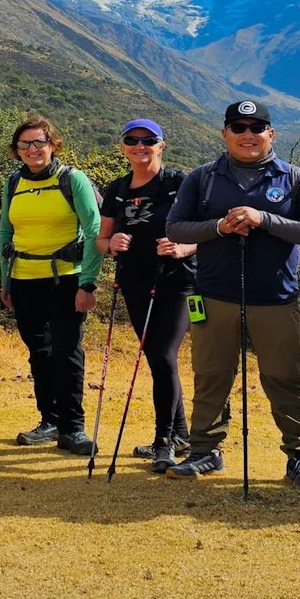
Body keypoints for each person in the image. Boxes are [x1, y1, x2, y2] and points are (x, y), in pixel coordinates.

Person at [164, 99, 300, 490]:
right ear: (225, 133)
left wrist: (264, 219)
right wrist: (219, 227)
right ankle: (205, 451)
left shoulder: (293, 178)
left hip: (275, 298)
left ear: (271, 133)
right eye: (238, 128)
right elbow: (176, 229)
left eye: (256, 128)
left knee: (285, 378)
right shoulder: (202, 177)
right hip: (213, 296)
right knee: (211, 375)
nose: (247, 135)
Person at [0, 114, 102, 454]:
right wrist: (5, 281)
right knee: (39, 353)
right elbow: (5, 233)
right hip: (23, 279)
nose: (32, 149)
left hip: (66, 278)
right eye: (24, 144)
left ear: (53, 145)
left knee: (67, 351)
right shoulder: (13, 182)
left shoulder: (73, 179)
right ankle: (50, 421)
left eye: (39, 142)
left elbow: (94, 231)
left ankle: (73, 428)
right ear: (16, 150)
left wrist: (88, 283)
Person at [96, 119, 196, 473]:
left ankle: (163, 442)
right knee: (156, 358)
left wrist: (183, 248)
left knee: (163, 355)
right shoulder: (117, 188)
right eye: (132, 140)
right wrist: (112, 244)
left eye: (148, 140)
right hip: (135, 283)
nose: (140, 146)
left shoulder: (179, 182)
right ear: (123, 147)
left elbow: (209, 230)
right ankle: (181, 434)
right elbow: (101, 239)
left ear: (161, 145)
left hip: (178, 282)